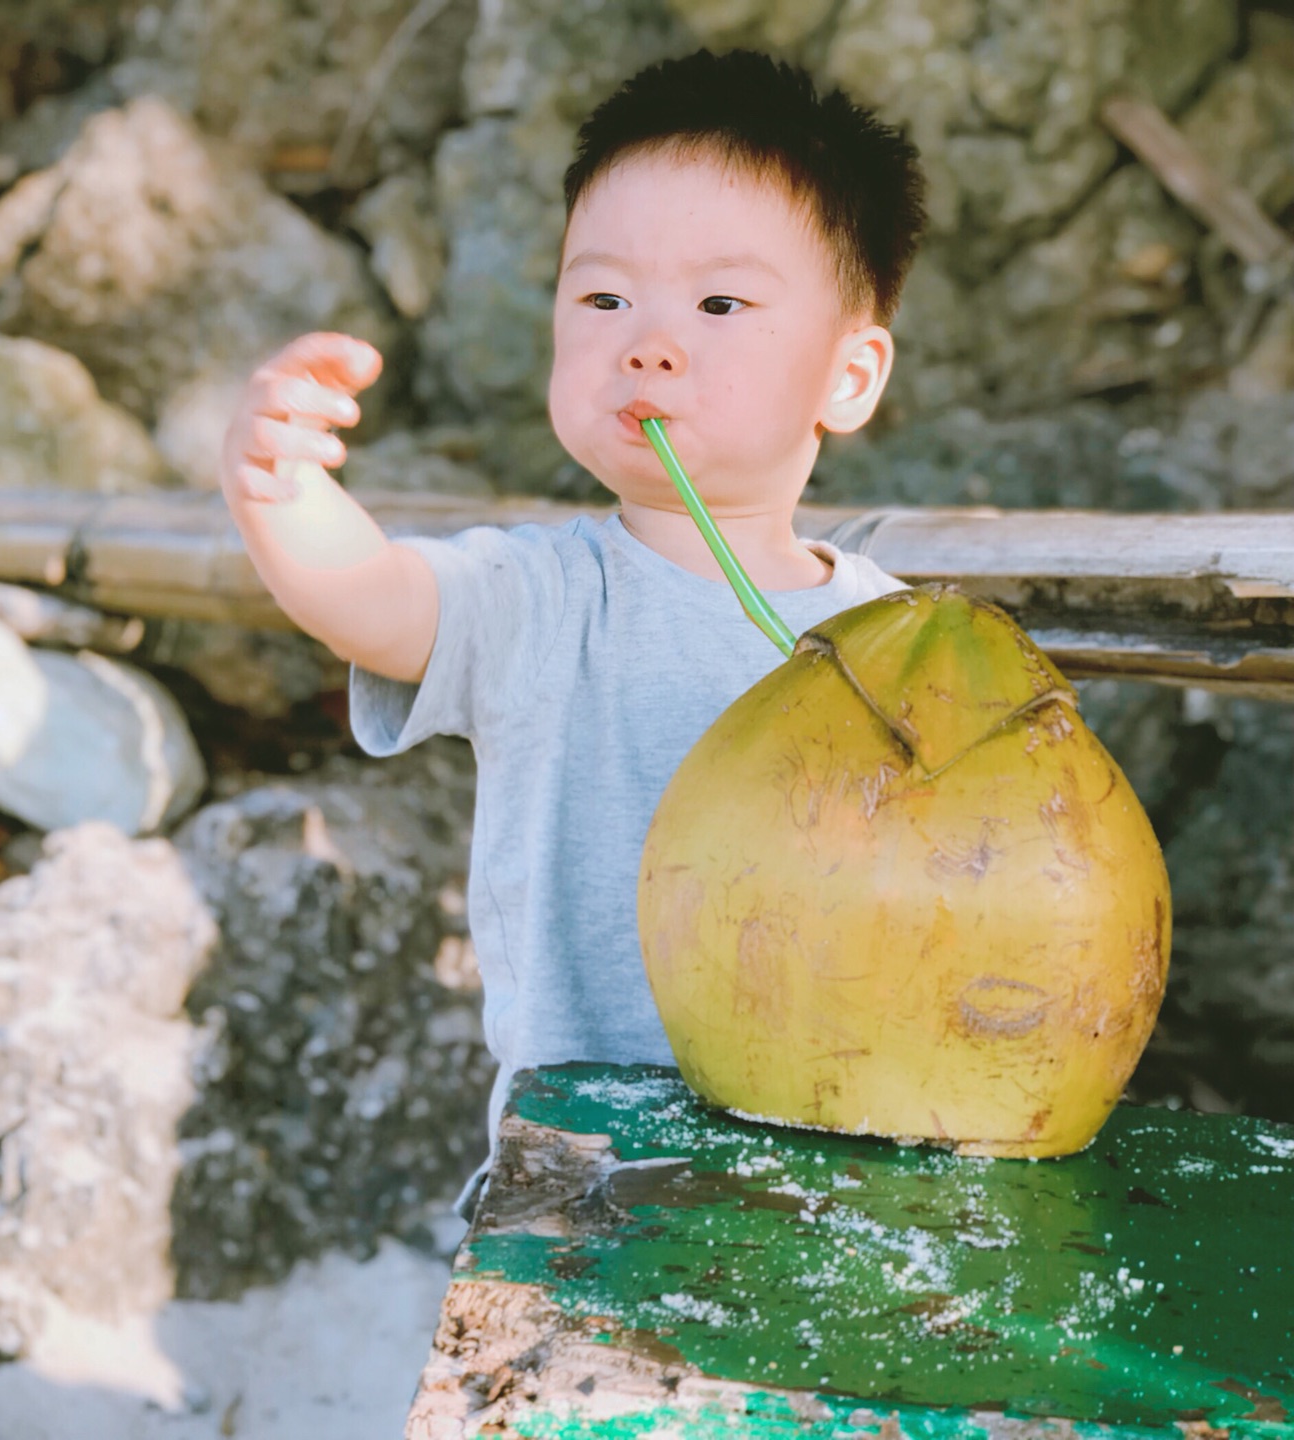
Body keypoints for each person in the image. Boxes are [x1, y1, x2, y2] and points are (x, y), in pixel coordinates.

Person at [215, 48, 929, 1214]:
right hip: (587, 1161)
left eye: (718, 303)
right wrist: (281, 493)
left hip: (837, 1149)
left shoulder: (890, 635)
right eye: (603, 298)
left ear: (848, 376)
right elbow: (379, 598)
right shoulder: (543, 597)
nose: (647, 341)